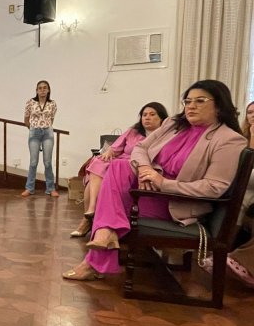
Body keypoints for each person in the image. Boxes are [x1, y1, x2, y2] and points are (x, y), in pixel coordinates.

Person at [62, 79, 247, 281]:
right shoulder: (173, 124)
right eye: (188, 101)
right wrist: (145, 168)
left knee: (111, 201)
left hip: (177, 203)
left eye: (200, 101)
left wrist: (162, 182)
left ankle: (97, 251)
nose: (191, 106)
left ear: (219, 105)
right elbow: (141, 148)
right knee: (117, 165)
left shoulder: (229, 139)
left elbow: (214, 187)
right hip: (146, 188)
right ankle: (104, 236)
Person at [70, 102, 168, 237]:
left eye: (152, 114)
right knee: (98, 161)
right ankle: (91, 210)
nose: (147, 117)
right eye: (144, 115)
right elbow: (116, 147)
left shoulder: (165, 136)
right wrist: (109, 152)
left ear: (162, 118)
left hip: (136, 167)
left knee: (104, 176)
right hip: (119, 162)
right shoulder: (133, 131)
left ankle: (88, 221)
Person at [201, 100, 254, 287]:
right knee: (238, 197)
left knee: (243, 195)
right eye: (250, 112)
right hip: (243, 195)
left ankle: (229, 257)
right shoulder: (238, 139)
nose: (253, 116)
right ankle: (222, 254)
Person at [21, 80, 59, 198]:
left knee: (47, 162)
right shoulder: (30, 102)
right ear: (36, 90)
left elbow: (51, 119)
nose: (42, 90)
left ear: (48, 90)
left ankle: (50, 189)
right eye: (40, 88)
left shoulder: (52, 104)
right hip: (34, 133)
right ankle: (29, 188)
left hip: (47, 133)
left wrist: (45, 127)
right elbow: (26, 120)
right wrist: (33, 129)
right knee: (33, 162)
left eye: (44, 88)